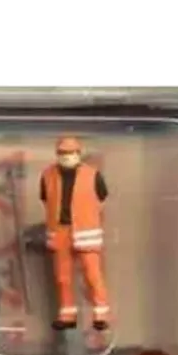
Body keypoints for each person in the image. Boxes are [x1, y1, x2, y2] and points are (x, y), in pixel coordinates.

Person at [39, 136, 110, 331]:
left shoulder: (92, 175)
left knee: (93, 274)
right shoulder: (47, 175)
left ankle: (101, 315)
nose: (66, 157)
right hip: (60, 231)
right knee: (63, 277)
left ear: (78, 154)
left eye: (70, 153)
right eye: (62, 153)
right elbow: (45, 200)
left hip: (86, 231)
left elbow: (102, 199)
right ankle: (67, 315)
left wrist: (88, 218)